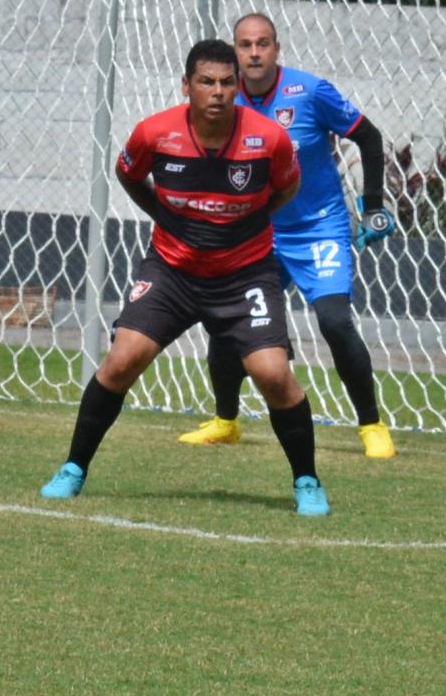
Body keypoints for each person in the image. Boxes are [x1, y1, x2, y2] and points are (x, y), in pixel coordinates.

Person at [39, 39, 331, 516]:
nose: (218, 92)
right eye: (206, 82)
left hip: (245, 275)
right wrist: (165, 216)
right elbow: (130, 175)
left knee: (273, 375)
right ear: (187, 86)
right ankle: (73, 468)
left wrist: (249, 223)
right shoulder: (154, 134)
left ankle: (307, 481)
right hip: (172, 271)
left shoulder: (268, 138)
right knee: (121, 361)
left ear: (237, 86)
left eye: (226, 82)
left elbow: (287, 185)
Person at [176, 13, 398, 459]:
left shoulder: (311, 92)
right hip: (259, 233)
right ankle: (226, 421)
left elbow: (369, 139)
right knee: (226, 322)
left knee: (335, 322)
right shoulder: (223, 100)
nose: (254, 53)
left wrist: (371, 207)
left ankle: (372, 426)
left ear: (277, 49)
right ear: (235, 52)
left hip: (320, 227)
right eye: (244, 45)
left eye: (262, 44)